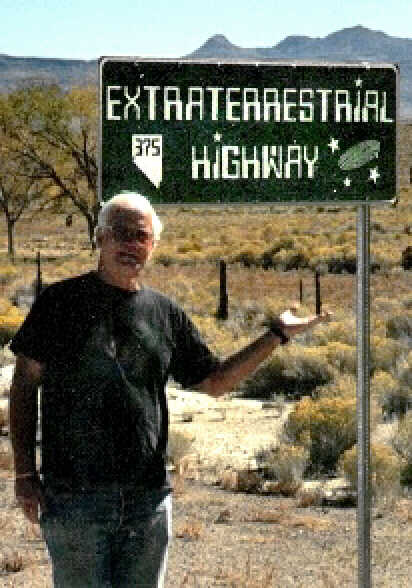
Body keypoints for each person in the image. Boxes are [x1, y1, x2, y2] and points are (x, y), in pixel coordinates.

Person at [9, 192, 330, 587]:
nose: (130, 244)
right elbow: (24, 385)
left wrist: (276, 335)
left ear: (154, 245)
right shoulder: (60, 302)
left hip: (147, 499)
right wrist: (24, 472)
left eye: (141, 236)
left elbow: (215, 382)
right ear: (100, 238)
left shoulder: (164, 313)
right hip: (75, 497)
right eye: (120, 233)